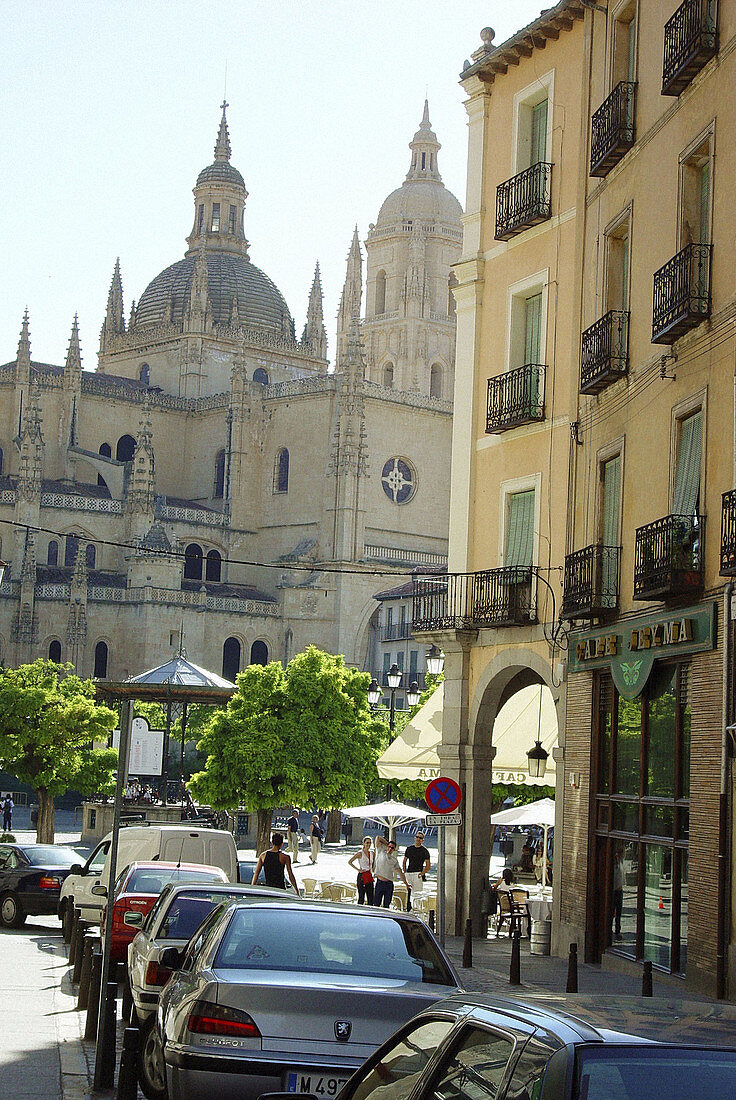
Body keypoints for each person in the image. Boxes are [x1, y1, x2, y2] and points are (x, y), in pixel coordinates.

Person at [372, 835, 409, 908]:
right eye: (389, 847)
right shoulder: (380, 852)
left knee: (386, 905)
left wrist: (406, 884)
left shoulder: (394, 860)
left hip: (388, 884)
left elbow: (400, 872)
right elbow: (378, 838)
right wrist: (387, 844)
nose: (390, 849)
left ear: (394, 850)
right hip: (379, 882)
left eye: (392, 848)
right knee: (376, 904)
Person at [403, 831, 430, 911]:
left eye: (420, 838)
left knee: (417, 894)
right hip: (409, 873)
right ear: (415, 838)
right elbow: (404, 861)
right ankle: (407, 909)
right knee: (408, 893)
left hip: (417, 874)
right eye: (417, 837)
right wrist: (405, 872)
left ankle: (416, 910)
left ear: (423, 840)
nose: (418, 839)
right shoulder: (409, 849)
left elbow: (428, 865)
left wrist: (421, 874)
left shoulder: (424, 851)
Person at [349, 836, 375, 904]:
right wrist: (358, 869)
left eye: (370, 843)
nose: (368, 845)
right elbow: (350, 862)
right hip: (362, 875)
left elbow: (375, 863)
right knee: (361, 896)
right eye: (367, 843)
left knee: (371, 896)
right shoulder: (360, 853)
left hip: (369, 874)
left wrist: (373, 869)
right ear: (363, 843)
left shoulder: (372, 853)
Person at [612, 845, 624, 941]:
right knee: (612, 911)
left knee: (618, 912)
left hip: (619, 890)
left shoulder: (620, 862)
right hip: (612, 891)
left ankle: (617, 930)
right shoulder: (613, 864)